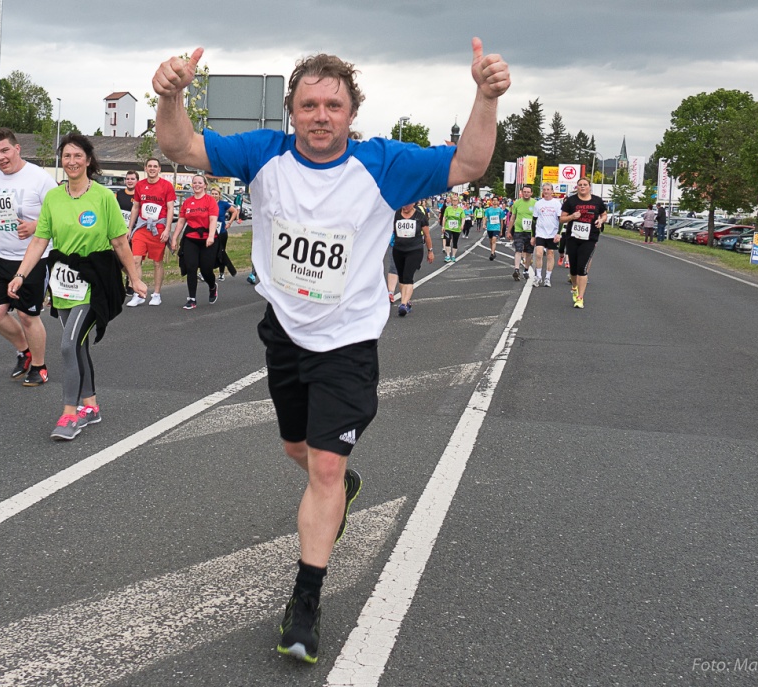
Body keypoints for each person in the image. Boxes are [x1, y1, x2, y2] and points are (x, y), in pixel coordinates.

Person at [153, 38, 510, 664]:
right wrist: (171, 95)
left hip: (348, 344)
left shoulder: (385, 164)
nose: (321, 115)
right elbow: (180, 147)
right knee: (298, 449)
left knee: (322, 466)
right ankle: (339, 487)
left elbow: (471, 165)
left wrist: (484, 97)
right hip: (285, 335)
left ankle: (306, 601)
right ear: (292, 111)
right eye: (309, 104)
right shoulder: (264, 154)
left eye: (334, 105)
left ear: (351, 113)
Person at [7, 133, 147, 439]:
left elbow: (120, 242)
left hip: (95, 280)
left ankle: (70, 415)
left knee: (68, 345)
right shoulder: (55, 198)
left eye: (77, 156)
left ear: (88, 160)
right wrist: (20, 275)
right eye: (66, 156)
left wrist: (134, 278)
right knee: (78, 344)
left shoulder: (103, 197)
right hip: (63, 281)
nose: (71, 162)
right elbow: (40, 240)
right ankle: (91, 406)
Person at [0, 127, 57, 386]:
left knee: (28, 316)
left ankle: (39, 367)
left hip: (33, 258)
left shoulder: (40, 179)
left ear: (17, 148)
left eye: (5, 150)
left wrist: (35, 226)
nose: (0, 157)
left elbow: (60, 215)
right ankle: (25, 351)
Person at [126, 157, 175, 307]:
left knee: (157, 262)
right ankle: (138, 293)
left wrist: (167, 229)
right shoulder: (140, 185)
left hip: (158, 228)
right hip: (141, 227)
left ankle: (157, 294)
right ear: (145, 169)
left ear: (159, 169)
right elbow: (136, 207)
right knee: (135, 260)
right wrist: (130, 228)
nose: (152, 168)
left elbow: (171, 208)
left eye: (155, 166)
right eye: (149, 166)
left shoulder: (166, 186)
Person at [171, 174, 220, 309]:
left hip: (207, 240)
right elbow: (181, 221)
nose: (197, 185)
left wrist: (210, 236)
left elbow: (213, 220)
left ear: (205, 185)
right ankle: (192, 299)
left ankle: (212, 286)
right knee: (191, 267)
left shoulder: (210, 201)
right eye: (194, 183)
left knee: (205, 270)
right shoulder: (187, 202)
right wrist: (174, 237)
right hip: (191, 239)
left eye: (199, 182)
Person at [559, 178, 607, 309]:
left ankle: (580, 298)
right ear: (577, 187)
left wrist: (601, 221)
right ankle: (574, 287)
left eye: (585, 185)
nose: (582, 187)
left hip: (590, 238)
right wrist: (571, 217)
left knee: (582, 267)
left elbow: (604, 214)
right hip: (573, 238)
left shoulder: (597, 201)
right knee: (573, 268)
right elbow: (562, 219)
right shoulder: (571, 201)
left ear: (589, 187)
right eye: (580, 185)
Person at [392, 202, 434, 316]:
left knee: (408, 277)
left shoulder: (420, 216)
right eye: (404, 203)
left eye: (408, 204)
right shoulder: (396, 214)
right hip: (398, 249)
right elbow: (390, 231)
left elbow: (427, 235)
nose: (405, 206)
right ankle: (405, 302)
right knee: (401, 277)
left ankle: (404, 304)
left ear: (414, 203)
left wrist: (430, 251)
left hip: (414, 250)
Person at [530, 183, 562, 287]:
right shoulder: (538, 204)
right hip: (540, 232)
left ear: (552, 191)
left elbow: (560, 220)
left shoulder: (557, 204)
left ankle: (547, 277)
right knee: (539, 253)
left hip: (552, 232)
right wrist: (533, 235)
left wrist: (558, 233)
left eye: (548, 189)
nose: (546, 192)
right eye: (544, 189)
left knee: (550, 254)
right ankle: (538, 276)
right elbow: (534, 220)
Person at [506, 185, 535, 281]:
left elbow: (538, 219)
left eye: (528, 192)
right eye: (524, 192)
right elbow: (512, 217)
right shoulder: (517, 203)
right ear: (521, 193)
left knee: (529, 252)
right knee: (518, 250)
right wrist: (509, 231)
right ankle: (516, 269)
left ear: (531, 193)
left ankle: (526, 269)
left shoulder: (535, 203)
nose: (526, 194)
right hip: (519, 230)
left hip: (530, 231)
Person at [441, 195, 465, 262]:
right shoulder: (448, 209)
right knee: (448, 240)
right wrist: (443, 226)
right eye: (453, 200)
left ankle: (453, 256)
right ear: (451, 201)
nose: (454, 202)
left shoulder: (460, 210)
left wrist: (462, 225)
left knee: (455, 242)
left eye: (456, 200)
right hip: (448, 227)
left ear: (458, 201)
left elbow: (463, 218)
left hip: (457, 228)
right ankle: (448, 255)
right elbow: (444, 217)